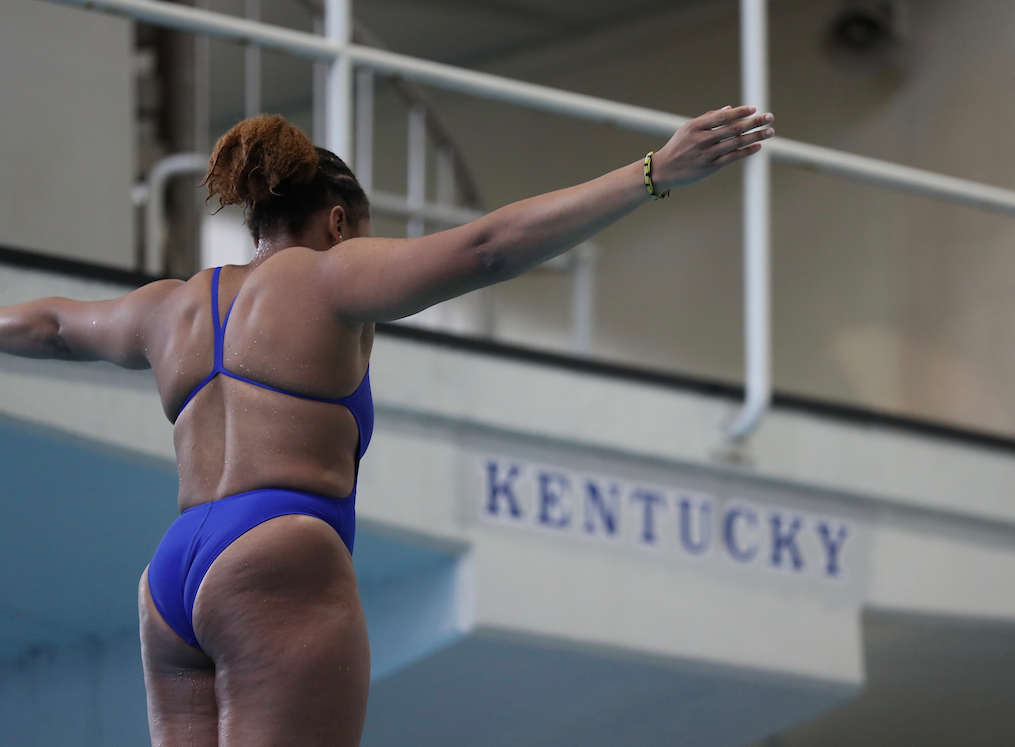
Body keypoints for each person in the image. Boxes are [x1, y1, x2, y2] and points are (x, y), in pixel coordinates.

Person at [0, 105, 774, 746]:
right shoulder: (330, 274)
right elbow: (488, 248)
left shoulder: (170, 305)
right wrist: (653, 174)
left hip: (171, 580)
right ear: (339, 221)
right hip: (278, 550)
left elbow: (53, 325)